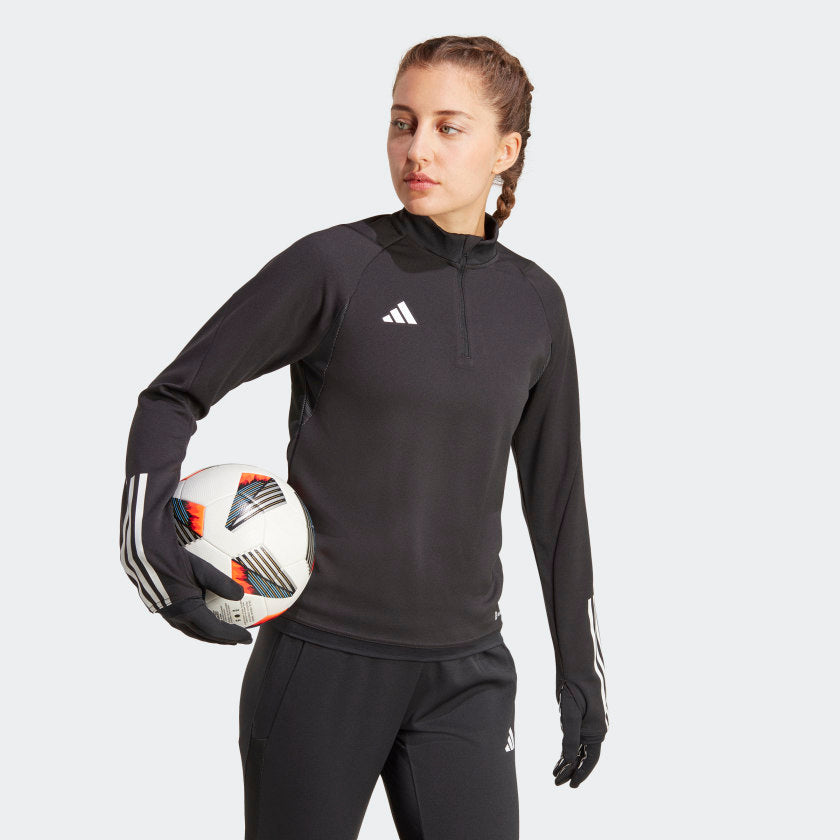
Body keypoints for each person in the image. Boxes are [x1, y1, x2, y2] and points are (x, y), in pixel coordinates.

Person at [119, 35, 609, 840]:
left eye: (448, 127)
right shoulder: (336, 267)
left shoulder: (535, 305)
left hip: (467, 675)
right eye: (402, 122)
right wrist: (149, 547)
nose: (417, 149)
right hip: (319, 663)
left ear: (506, 150)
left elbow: (556, 503)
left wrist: (580, 668)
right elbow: (173, 395)